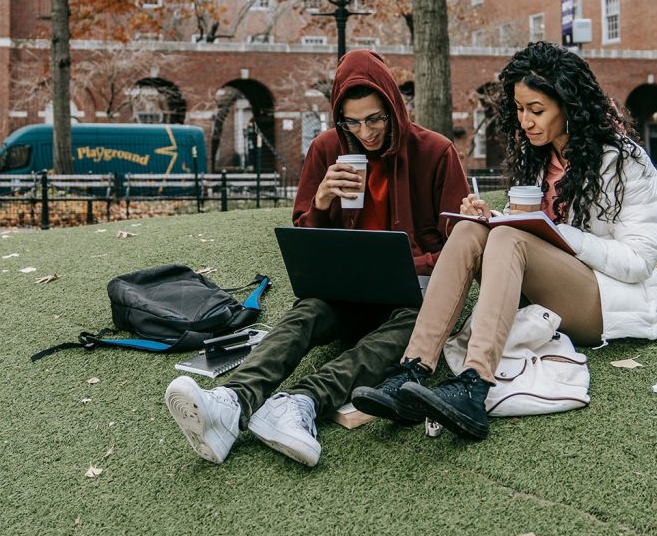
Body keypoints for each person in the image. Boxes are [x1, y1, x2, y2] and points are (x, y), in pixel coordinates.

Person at [164, 49, 468, 466]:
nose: (366, 132)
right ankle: (231, 402)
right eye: (353, 121)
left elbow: (460, 248)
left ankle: (300, 402)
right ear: (338, 117)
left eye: (376, 118)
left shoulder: (435, 151)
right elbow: (305, 241)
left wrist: (409, 264)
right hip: (346, 292)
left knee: (415, 323)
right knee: (306, 311)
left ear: (395, 108)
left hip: (410, 295)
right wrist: (322, 200)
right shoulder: (327, 148)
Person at [352, 41, 657, 439]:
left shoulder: (625, 162)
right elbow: (534, 233)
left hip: (603, 300)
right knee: (470, 230)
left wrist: (551, 232)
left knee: (508, 241)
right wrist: (495, 218)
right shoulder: (538, 159)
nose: (526, 122)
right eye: (519, 110)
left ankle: (474, 383)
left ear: (570, 106)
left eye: (537, 111)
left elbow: (638, 261)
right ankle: (412, 369)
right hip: (543, 288)